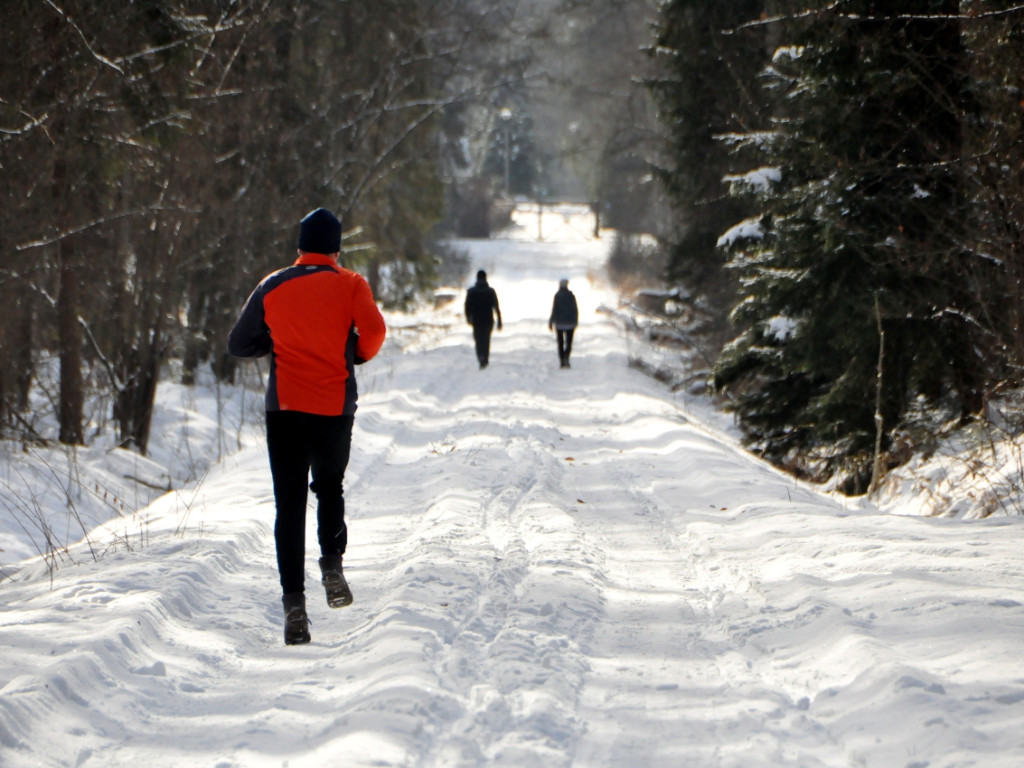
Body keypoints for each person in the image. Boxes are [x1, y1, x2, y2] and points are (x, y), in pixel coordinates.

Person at [228, 208, 386, 645]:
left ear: (299, 246)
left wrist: (274, 343)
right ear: (336, 248)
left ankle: (294, 605)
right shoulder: (351, 285)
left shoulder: (273, 284)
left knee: (289, 503)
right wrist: (355, 353)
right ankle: (332, 565)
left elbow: (238, 342)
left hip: (286, 409)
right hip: (334, 407)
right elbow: (374, 332)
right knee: (330, 486)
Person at [464, 269, 502, 369]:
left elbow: (467, 306)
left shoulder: (471, 291)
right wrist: (499, 321)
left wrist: (468, 317)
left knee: (478, 340)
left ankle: (480, 357)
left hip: (476, 320)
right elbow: (496, 307)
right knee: (486, 339)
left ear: (477, 278)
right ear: (485, 278)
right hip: (488, 320)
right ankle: (485, 357)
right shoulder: (490, 291)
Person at [548, 278, 579, 368]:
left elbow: (554, 310)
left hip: (559, 323)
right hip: (570, 323)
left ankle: (562, 361)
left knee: (560, 343)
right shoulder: (571, 296)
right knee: (569, 342)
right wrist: (576, 320)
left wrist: (551, 321)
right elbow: (575, 309)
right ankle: (566, 358)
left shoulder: (557, 296)